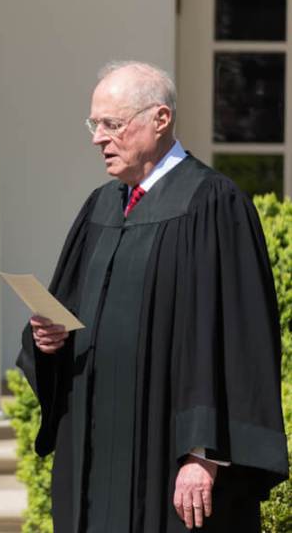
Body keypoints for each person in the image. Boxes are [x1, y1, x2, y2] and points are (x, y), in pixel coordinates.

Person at [18, 61, 289, 532]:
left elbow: (238, 341)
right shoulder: (100, 207)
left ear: (160, 119)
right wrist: (48, 341)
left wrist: (204, 454)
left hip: (169, 459)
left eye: (111, 124)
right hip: (94, 452)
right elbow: (66, 312)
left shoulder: (213, 205)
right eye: (94, 124)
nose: (97, 137)